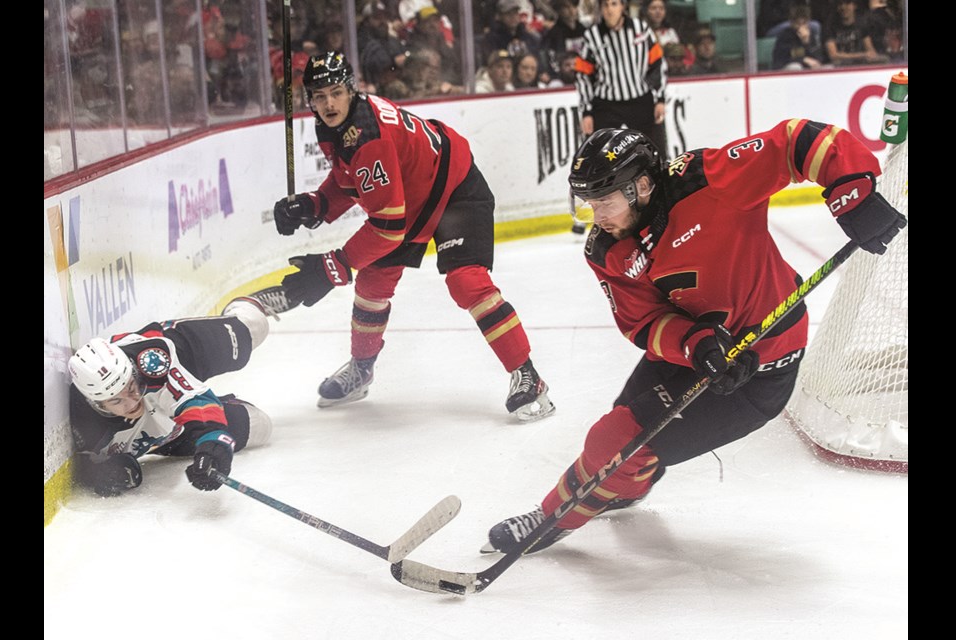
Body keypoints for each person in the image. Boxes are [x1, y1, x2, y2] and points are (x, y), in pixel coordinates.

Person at [480, 120, 907, 554]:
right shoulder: (607, 251)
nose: (598, 216)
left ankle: (551, 517)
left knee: (618, 440)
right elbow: (642, 322)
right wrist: (693, 343)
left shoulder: (707, 180)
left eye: (605, 201)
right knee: (624, 436)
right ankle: (624, 487)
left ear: (642, 185)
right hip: (697, 349)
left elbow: (799, 140)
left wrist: (851, 189)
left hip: (759, 370)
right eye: (590, 203)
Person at [271, 52, 555, 422]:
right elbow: (352, 180)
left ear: (352, 91)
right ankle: (362, 369)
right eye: (319, 95)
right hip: (412, 200)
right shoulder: (338, 126)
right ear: (309, 98)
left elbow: (388, 229)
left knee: (466, 281)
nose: (328, 103)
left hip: (454, 188)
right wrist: (316, 204)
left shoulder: (366, 133)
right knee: (372, 283)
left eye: (336, 92)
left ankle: (528, 377)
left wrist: (333, 267)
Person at [67, 287, 297, 497]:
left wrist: (213, 439)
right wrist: (108, 473)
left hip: (185, 354)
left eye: (130, 387)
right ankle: (224, 405)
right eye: (116, 400)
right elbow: (90, 465)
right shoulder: (89, 430)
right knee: (259, 426)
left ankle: (246, 304)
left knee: (254, 326)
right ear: (97, 404)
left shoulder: (150, 360)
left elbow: (192, 397)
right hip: (167, 429)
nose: (131, 401)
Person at [575, 0, 668, 156]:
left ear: (622, 7)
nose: (609, 10)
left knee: (655, 152)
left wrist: (660, 99)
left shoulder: (641, 29)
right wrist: (586, 112)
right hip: (606, 105)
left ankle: (660, 180)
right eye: (605, 5)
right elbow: (583, 76)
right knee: (597, 154)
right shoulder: (591, 36)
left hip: (640, 100)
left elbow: (657, 64)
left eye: (614, 4)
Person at [822, 0, 886, 67]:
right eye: (840, 4)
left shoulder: (862, 25)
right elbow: (833, 55)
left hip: (859, 67)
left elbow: (870, 50)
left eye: (847, 3)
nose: (843, 7)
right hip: (838, 68)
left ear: (854, 6)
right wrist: (862, 55)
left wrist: (874, 57)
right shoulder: (830, 26)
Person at [772, 3, 825, 70]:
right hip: (786, 67)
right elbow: (783, 58)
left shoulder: (811, 34)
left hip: (806, 67)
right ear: (792, 23)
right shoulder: (785, 36)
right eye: (798, 24)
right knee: (796, 67)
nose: (801, 27)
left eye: (804, 23)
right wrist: (803, 59)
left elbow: (818, 58)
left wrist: (806, 43)